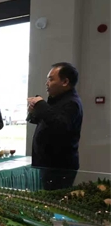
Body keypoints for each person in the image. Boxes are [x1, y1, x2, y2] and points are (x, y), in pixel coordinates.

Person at [28, 62, 83, 190]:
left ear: (65, 82)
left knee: (54, 199)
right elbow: (45, 122)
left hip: (59, 167)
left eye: (51, 79)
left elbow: (60, 126)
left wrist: (41, 104)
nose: (47, 83)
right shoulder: (56, 100)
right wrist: (33, 111)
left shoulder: (71, 103)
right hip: (47, 164)